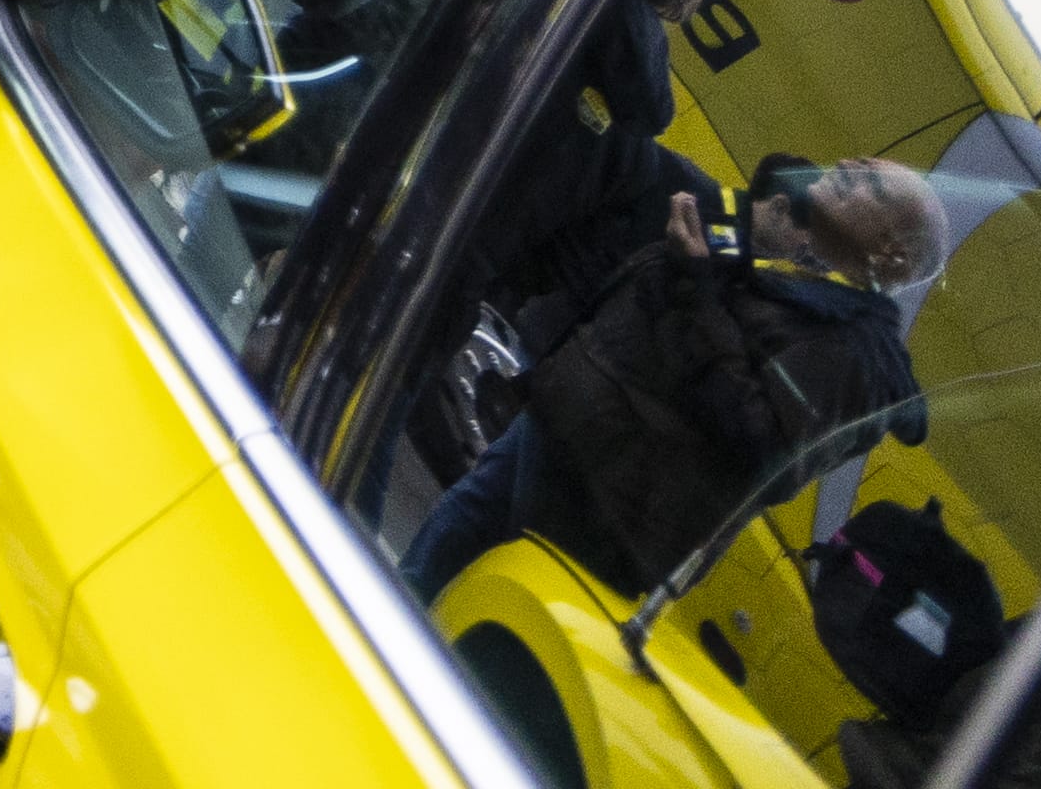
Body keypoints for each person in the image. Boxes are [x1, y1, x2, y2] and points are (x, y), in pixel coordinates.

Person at [402, 152, 946, 604]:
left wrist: (696, 279)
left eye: (872, 184)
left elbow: (762, 443)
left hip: (598, 507)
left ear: (891, 254)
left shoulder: (861, 357)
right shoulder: (809, 286)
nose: (850, 164)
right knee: (422, 580)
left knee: (470, 626)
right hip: (559, 440)